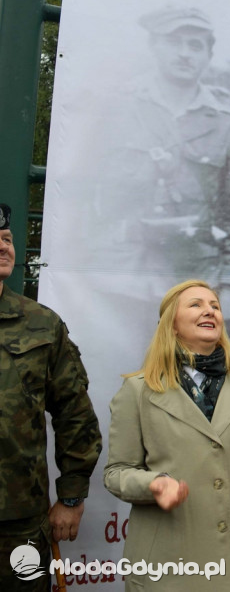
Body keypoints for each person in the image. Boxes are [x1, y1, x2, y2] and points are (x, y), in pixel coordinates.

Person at [75, 5, 230, 356]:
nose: (185, 53)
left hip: (194, 283)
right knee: (114, 391)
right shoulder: (113, 109)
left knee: (192, 399)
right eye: (175, 42)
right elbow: (79, 193)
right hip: (117, 278)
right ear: (154, 46)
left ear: (208, 54)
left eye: (195, 45)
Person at [104, 279, 230, 590]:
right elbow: (116, 473)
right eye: (196, 305)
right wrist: (154, 484)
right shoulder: (137, 390)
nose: (210, 311)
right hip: (168, 561)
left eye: (215, 306)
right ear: (171, 325)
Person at [0, 204, 103, 592]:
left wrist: (72, 497)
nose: (5, 248)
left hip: (17, 524)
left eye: (7, 240)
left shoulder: (42, 324)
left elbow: (74, 413)